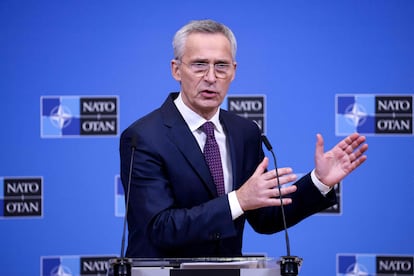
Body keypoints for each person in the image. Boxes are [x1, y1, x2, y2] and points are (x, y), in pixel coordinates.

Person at [119, 19, 368, 258]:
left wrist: (319, 182)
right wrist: (238, 200)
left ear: (234, 71)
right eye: (199, 65)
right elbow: (159, 228)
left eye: (221, 66)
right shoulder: (143, 137)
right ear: (176, 70)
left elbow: (265, 218)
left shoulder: (244, 132)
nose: (211, 77)